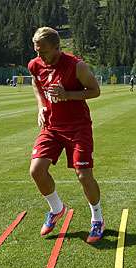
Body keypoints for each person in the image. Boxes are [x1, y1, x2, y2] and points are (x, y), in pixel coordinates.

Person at [27, 27, 104, 243]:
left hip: (78, 127)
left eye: (42, 51)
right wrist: (41, 105)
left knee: (83, 175)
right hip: (51, 127)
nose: (38, 56)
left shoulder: (76, 66)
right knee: (36, 171)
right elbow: (36, 82)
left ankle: (97, 219)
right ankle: (56, 209)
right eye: (36, 51)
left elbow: (95, 91)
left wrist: (67, 94)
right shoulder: (35, 64)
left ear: (56, 47)